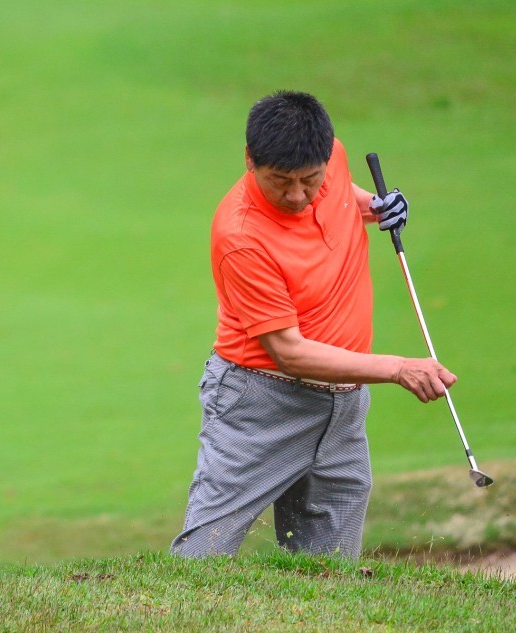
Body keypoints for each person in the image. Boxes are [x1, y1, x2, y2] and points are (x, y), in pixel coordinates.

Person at [170, 90, 457, 558]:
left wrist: (378, 207)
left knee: (330, 570)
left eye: (309, 180)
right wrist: (397, 368)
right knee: (203, 551)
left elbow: (344, 194)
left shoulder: (334, 158)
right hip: (261, 403)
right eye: (279, 181)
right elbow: (290, 352)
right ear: (249, 160)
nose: (297, 195)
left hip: (343, 403)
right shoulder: (240, 237)